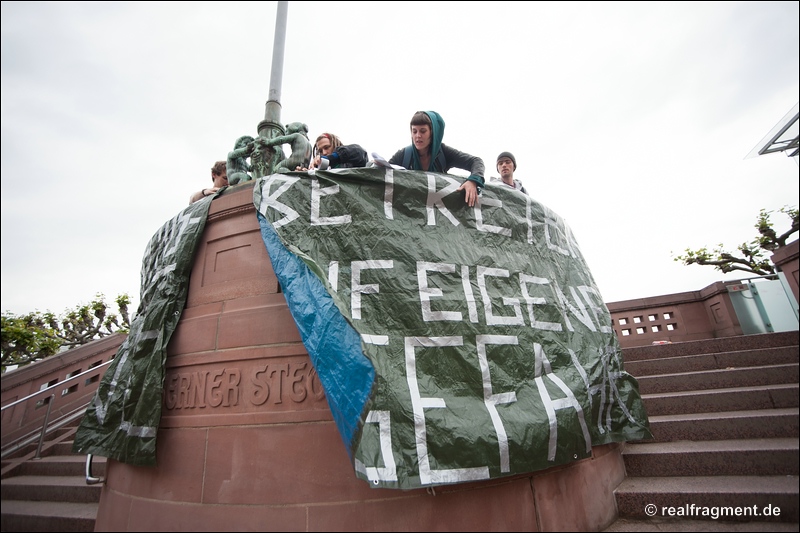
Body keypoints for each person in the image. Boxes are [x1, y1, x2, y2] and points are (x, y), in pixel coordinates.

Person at [387, 111, 484, 207]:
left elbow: (476, 161)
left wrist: (473, 181)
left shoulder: (444, 153)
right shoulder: (404, 155)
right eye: (414, 131)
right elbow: (385, 175)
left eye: (423, 131)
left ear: (432, 133)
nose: (418, 136)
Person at [296, 132, 368, 171]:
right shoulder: (323, 171)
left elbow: (359, 152)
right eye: (320, 151)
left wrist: (331, 158)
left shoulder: (350, 160)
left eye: (327, 147)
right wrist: (305, 175)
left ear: (335, 145)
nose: (324, 153)